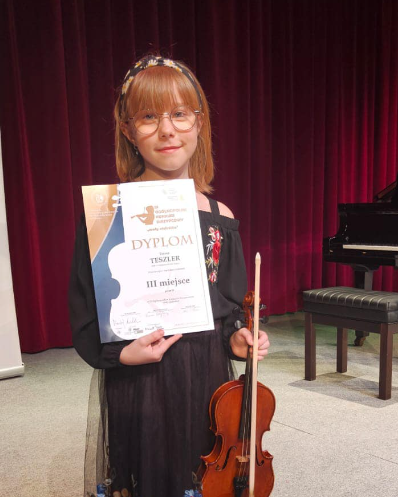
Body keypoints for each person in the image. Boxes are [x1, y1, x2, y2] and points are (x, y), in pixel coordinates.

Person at [69, 54, 271, 497]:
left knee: (203, 471)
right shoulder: (107, 216)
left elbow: (228, 309)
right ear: (128, 130)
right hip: (141, 379)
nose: (167, 129)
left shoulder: (221, 216)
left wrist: (238, 337)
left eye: (180, 114)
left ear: (199, 124)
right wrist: (122, 355)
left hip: (206, 374)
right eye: (148, 116)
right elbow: (87, 310)